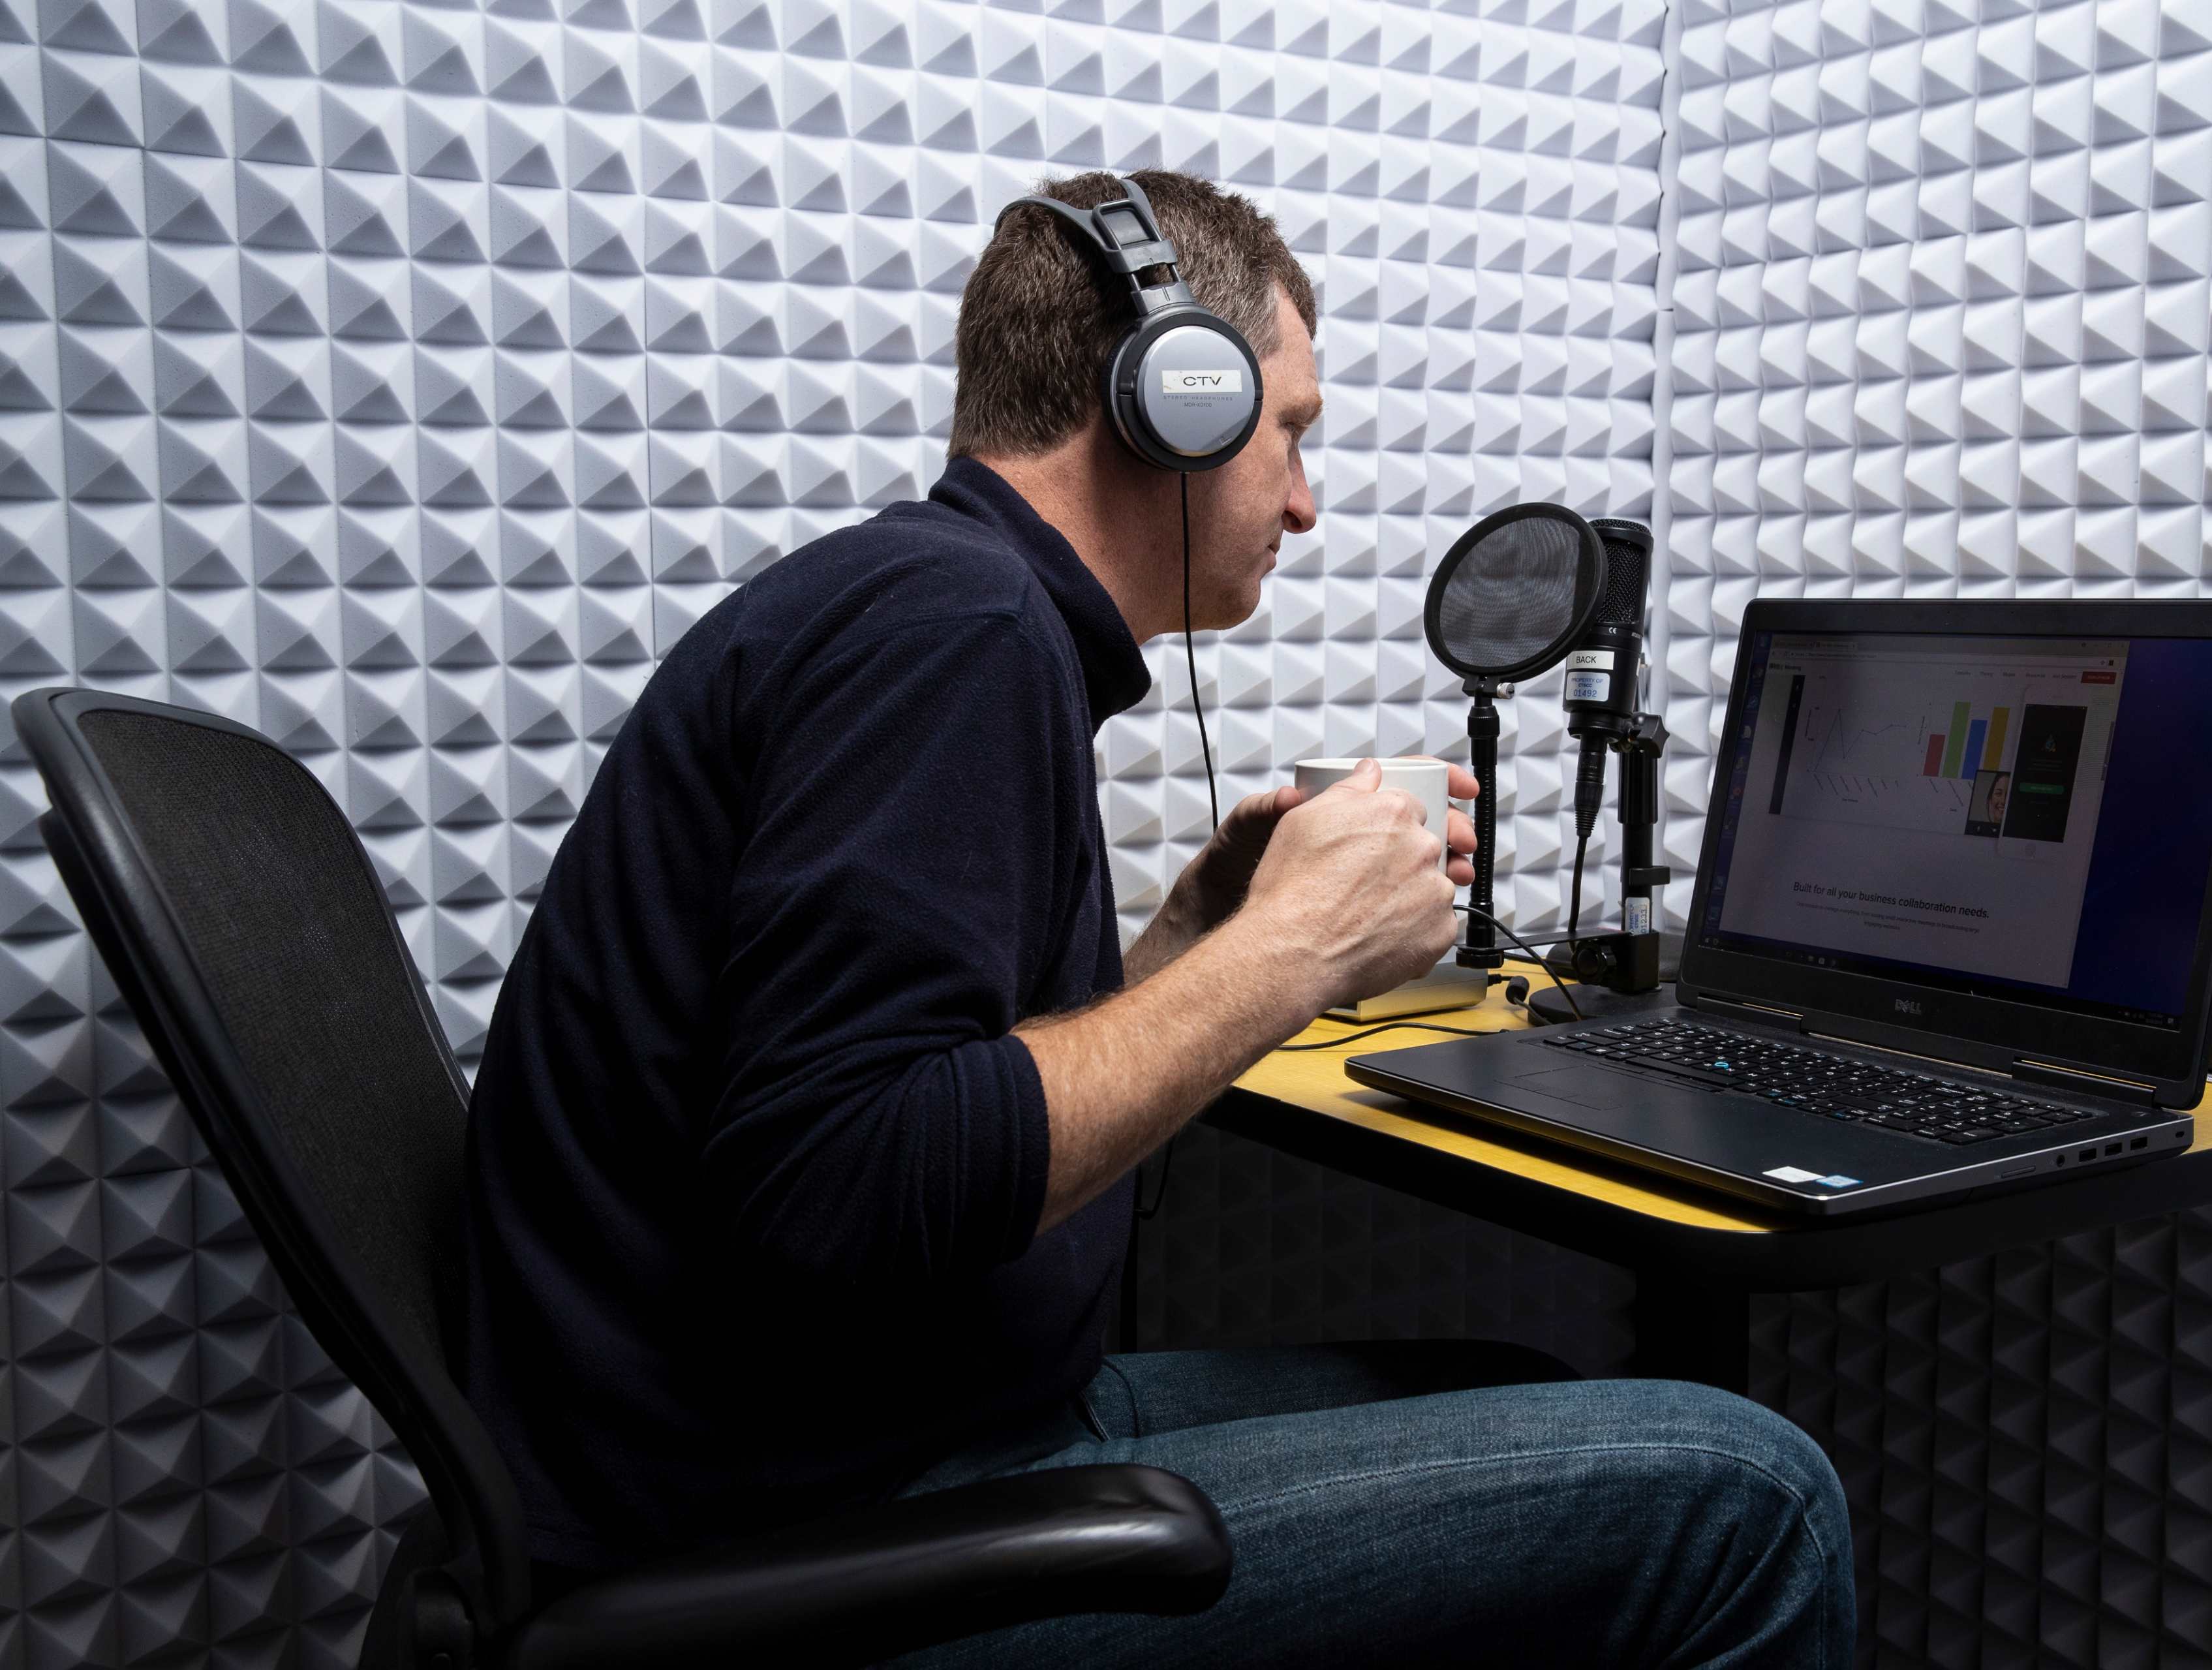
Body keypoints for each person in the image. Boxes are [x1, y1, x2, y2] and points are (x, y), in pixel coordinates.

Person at [457, 168, 1852, 1665]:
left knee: (1498, 1368)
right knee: (1752, 1492)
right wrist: (1289, 951)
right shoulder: (953, 631)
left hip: (855, 1431)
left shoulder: (929, 605)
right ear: (1170, 399)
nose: (1308, 503)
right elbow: (842, 1182)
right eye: (1292, 430)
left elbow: (914, 1079)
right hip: (806, 1523)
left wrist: (1190, 940)